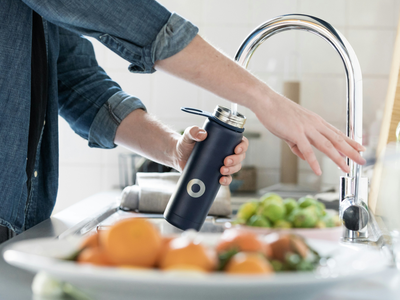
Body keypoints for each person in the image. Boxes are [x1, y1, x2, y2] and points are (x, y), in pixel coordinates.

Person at [0, 0, 364, 241]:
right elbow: (123, 16)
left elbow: (79, 85)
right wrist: (264, 99)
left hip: (17, 225)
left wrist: (176, 151)